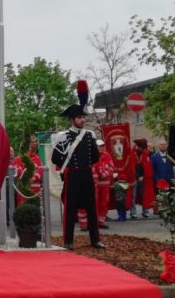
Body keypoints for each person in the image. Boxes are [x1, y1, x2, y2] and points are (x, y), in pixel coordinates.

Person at [51, 104, 104, 250]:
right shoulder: (63, 136)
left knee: (92, 208)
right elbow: (55, 158)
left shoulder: (89, 135)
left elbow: (95, 156)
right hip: (73, 175)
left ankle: (95, 240)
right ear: (72, 119)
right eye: (79, 117)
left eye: (83, 117)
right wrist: (68, 163)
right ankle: (68, 241)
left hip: (86, 174)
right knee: (70, 209)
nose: (82, 120)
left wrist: (84, 165)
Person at [133, 139, 155, 219]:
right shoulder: (133, 153)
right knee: (133, 196)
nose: (141, 149)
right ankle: (133, 213)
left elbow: (148, 167)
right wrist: (134, 176)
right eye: (140, 147)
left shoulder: (145, 154)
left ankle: (145, 211)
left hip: (143, 178)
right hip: (134, 178)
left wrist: (144, 176)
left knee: (144, 195)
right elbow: (132, 165)